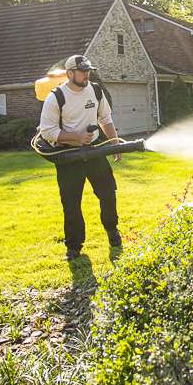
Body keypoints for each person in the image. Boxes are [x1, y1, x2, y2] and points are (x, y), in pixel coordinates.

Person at [38, 54, 123, 261]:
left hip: (94, 151)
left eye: (88, 71)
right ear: (69, 73)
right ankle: (74, 247)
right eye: (82, 71)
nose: (87, 74)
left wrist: (114, 142)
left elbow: (105, 118)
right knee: (71, 203)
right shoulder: (56, 97)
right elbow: (48, 131)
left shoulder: (95, 90)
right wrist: (76, 137)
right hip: (68, 155)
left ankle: (113, 233)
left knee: (108, 193)